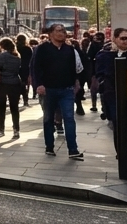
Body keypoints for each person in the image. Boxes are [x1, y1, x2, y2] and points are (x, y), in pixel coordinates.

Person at [30, 23, 85, 160]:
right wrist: (39, 85)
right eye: (58, 31)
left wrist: (76, 82)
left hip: (67, 89)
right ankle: (49, 146)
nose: (62, 33)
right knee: (49, 119)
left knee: (69, 119)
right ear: (51, 34)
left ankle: (73, 149)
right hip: (48, 90)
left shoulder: (70, 50)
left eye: (63, 31)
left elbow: (76, 68)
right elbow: (35, 68)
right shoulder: (42, 49)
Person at [0, 37, 24, 138]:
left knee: (1, 107)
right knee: (14, 107)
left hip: (2, 83)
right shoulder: (17, 57)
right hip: (15, 83)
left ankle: (1, 129)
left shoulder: (0, 57)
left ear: (2, 46)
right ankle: (16, 130)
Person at [85, 31, 105, 113]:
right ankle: (103, 106)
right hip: (103, 70)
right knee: (103, 89)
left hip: (94, 70)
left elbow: (88, 55)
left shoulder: (93, 45)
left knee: (94, 89)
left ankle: (94, 105)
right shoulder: (105, 45)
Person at [16, 34, 34, 107]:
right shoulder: (28, 49)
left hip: (17, 68)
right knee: (26, 84)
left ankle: (16, 100)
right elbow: (31, 60)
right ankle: (25, 101)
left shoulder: (15, 48)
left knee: (17, 85)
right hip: (26, 68)